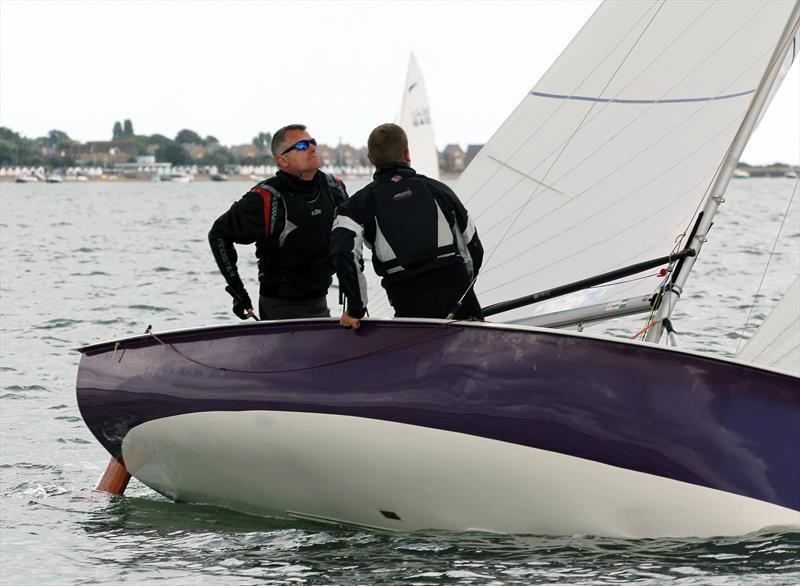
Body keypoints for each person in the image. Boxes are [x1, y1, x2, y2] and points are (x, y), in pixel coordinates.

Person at [331, 122, 483, 330]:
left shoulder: (356, 205)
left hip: (408, 301)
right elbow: (473, 245)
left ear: (371, 158)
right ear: (407, 153)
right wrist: (466, 288)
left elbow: (344, 253)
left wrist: (356, 309)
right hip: (457, 292)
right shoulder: (439, 190)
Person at [209, 124, 347, 320]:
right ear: (283, 160)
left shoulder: (334, 188)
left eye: (312, 143)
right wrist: (238, 292)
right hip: (279, 308)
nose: (312, 148)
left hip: (320, 302)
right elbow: (219, 234)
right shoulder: (265, 198)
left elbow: (350, 239)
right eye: (301, 146)